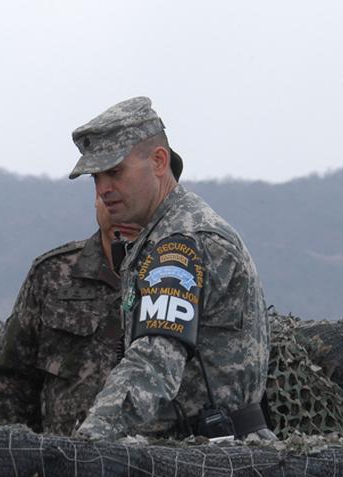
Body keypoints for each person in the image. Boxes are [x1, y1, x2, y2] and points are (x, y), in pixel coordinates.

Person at [69, 97, 273, 441]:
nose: (103, 189)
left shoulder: (181, 243)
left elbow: (152, 365)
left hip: (213, 464)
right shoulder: (163, 233)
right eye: (96, 177)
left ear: (159, 161)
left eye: (115, 171)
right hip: (203, 455)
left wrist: (87, 445)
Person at [0, 199, 140, 435]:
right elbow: (12, 380)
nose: (123, 212)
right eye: (109, 197)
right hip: (63, 460)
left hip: (154, 461)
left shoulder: (184, 276)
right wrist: (21, 458)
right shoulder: (53, 274)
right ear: (96, 197)